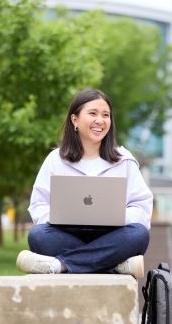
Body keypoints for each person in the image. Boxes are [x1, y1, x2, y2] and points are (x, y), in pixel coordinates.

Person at [16, 88, 153, 278]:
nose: (100, 120)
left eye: (106, 115)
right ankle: (114, 265)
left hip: (112, 234)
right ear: (75, 120)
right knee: (38, 235)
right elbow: (38, 205)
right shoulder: (56, 160)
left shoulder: (124, 160)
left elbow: (142, 208)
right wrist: (59, 216)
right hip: (68, 234)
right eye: (93, 113)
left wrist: (117, 216)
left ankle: (60, 265)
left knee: (139, 235)